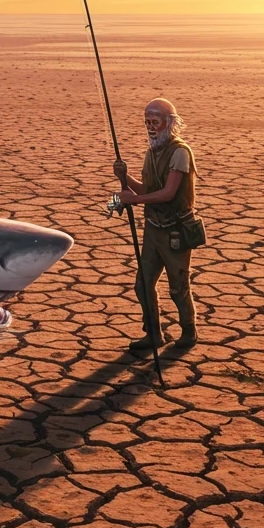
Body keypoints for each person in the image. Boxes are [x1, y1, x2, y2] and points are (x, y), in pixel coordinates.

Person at [113, 98, 199, 353]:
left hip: (175, 231)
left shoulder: (180, 153)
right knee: (142, 285)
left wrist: (134, 200)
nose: (151, 128)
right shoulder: (151, 154)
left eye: (155, 122)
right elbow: (148, 191)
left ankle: (189, 331)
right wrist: (125, 177)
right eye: (147, 122)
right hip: (153, 229)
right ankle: (153, 333)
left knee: (178, 288)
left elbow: (168, 193)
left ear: (169, 123)